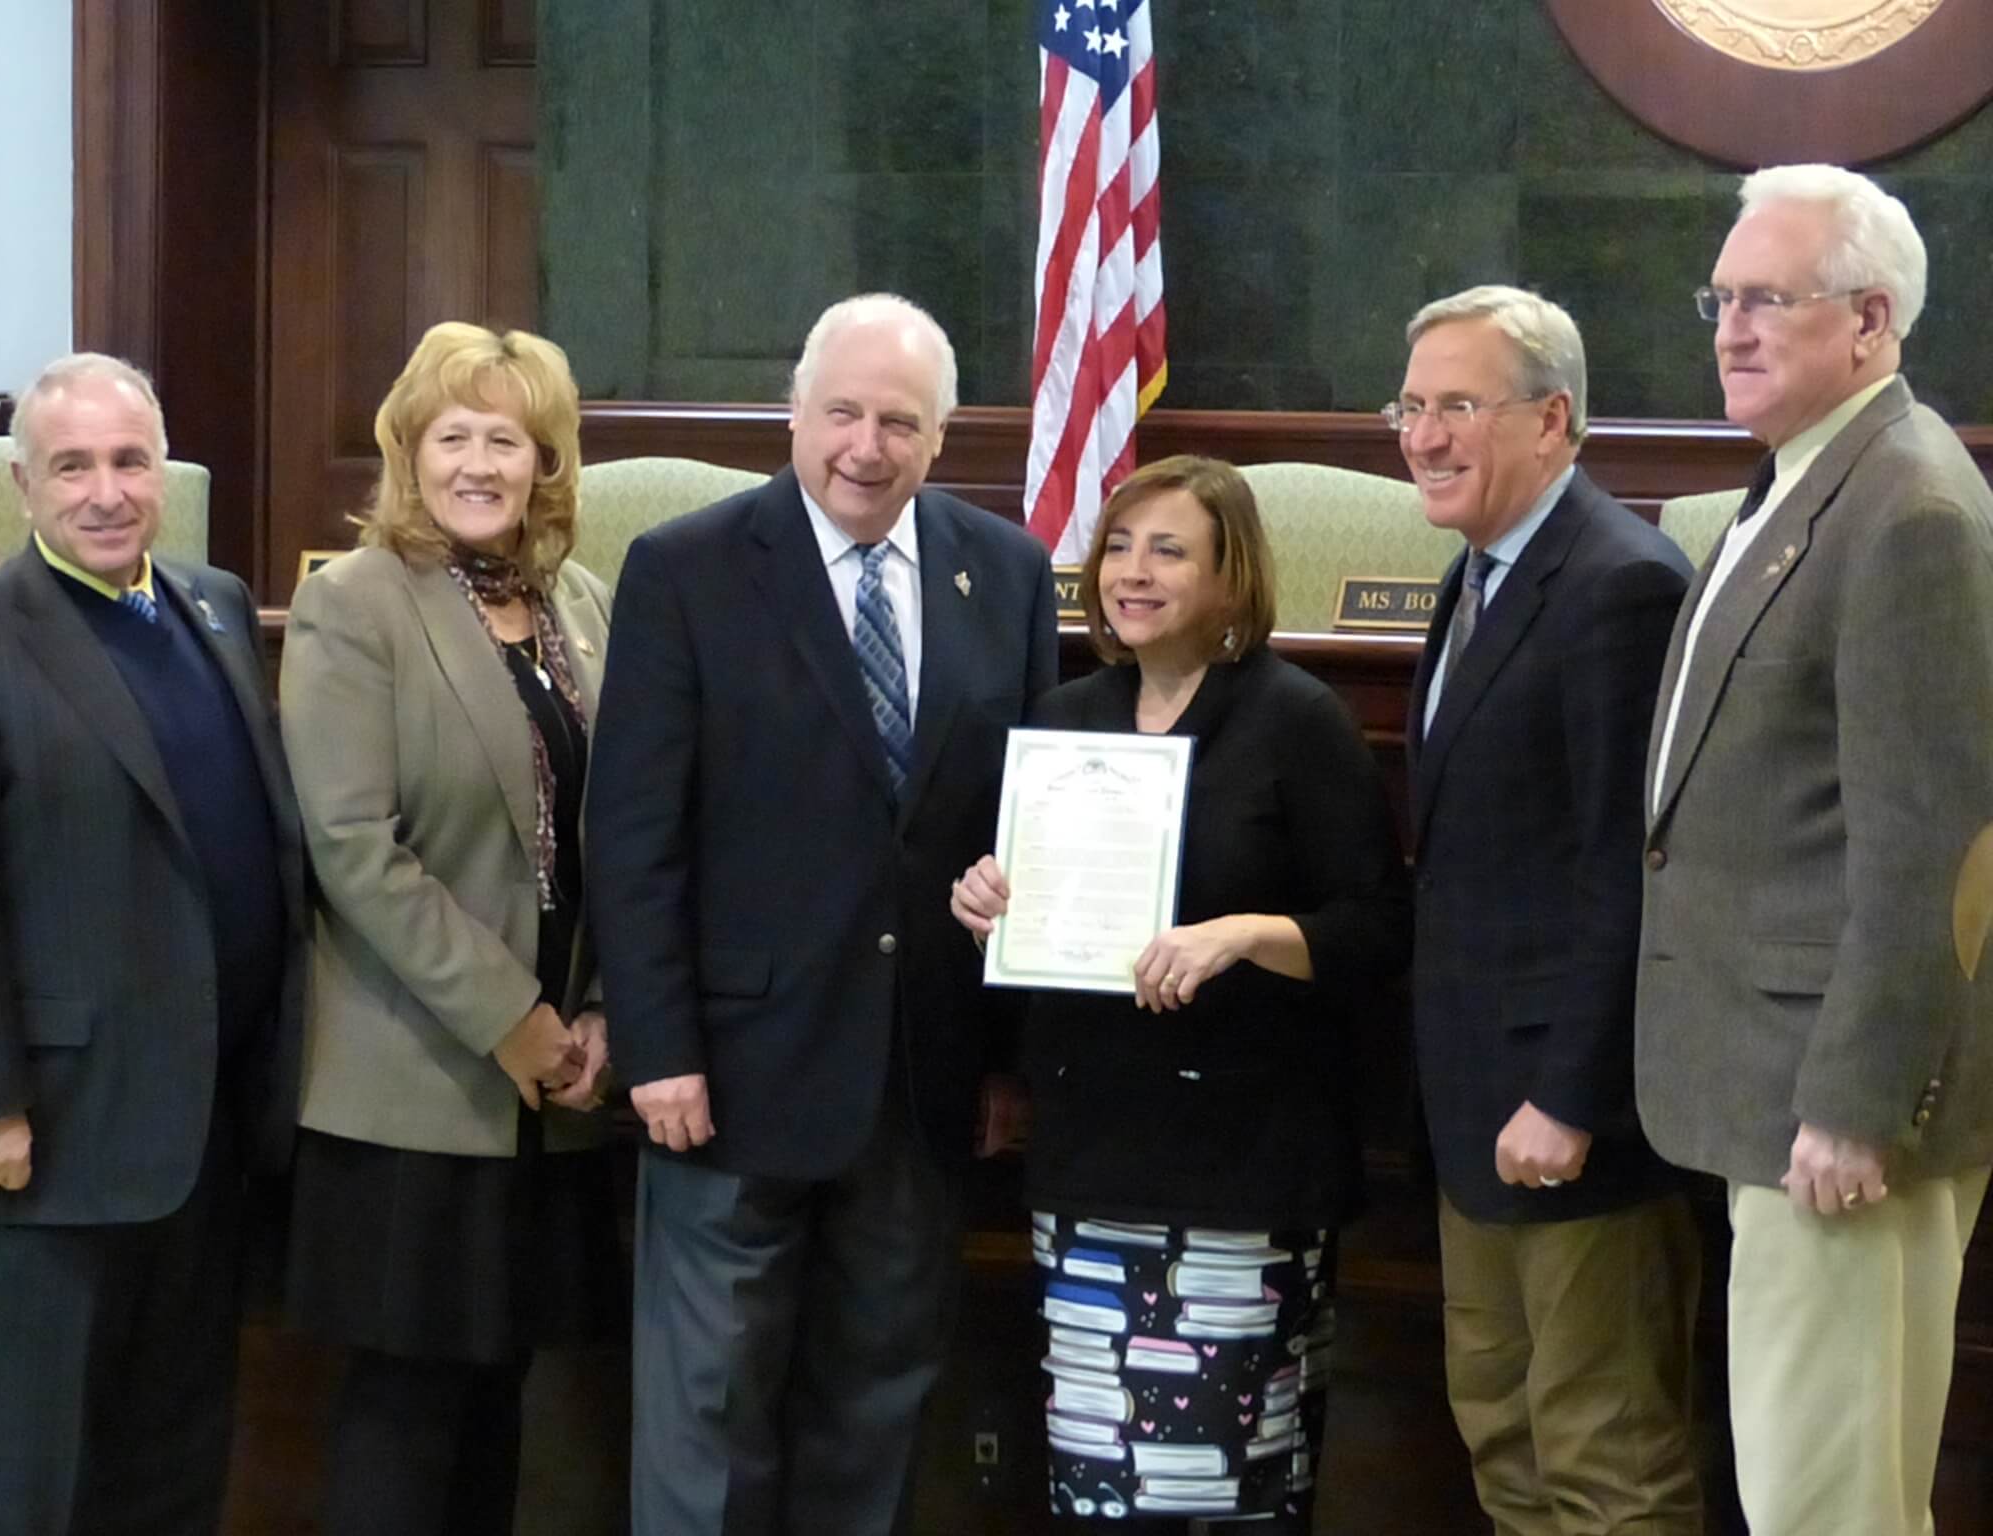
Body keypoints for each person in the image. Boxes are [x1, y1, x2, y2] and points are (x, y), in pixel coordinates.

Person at [585, 291, 1058, 1535]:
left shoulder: (1002, 573)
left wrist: (1004, 1057)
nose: (866, 445)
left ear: (940, 437)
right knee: (709, 1423)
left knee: (878, 1411)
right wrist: (659, 1049)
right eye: (841, 412)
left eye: (898, 420)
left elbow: (1028, 827)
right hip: (729, 1081)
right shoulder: (684, 568)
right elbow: (631, 837)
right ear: (792, 414)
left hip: (921, 1079)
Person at [950, 455, 1411, 1527]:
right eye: (1118, 545)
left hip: (1241, 1171)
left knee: (1221, 1482)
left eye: (1168, 550)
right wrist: (982, 900)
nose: (1132, 572)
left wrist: (1245, 934)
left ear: (1228, 576)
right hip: (1089, 1158)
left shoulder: (1296, 722)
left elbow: (1377, 930)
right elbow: (1021, 931)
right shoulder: (1064, 720)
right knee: (1097, 1481)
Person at [1637, 165, 1993, 1536]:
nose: (1730, 326)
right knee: (1802, 1488)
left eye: (1769, 298)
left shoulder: (1904, 508)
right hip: (1770, 1088)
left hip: (1839, 1111)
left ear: (1873, 321)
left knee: (1829, 1504)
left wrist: (1856, 1098)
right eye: (1722, 297)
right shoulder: (1805, 481)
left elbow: (1935, 851)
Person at [0, 353, 304, 1536]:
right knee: (38, 1482)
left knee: (174, 1463)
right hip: (50, 1135)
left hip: (203, 1134)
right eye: (74, 466)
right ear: (22, 483)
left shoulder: (210, 602)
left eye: (130, 461)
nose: (106, 491)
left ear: (166, 471)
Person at [277, 321, 622, 1536]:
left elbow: (623, 830)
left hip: (560, 1088)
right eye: (453, 436)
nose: (478, 463)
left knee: (500, 1391)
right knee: (408, 1405)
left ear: (547, 461)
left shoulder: (578, 601)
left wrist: (592, 1016)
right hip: (419, 1081)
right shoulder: (353, 603)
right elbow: (354, 849)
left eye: (507, 440)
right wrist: (512, 1021)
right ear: (409, 450)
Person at [1393, 286, 1703, 1534]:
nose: (1420, 436)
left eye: (1456, 406)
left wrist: (1572, 1096)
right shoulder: (1475, 572)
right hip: (1477, 1115)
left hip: (1570, 1124)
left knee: (1603, 1457)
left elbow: (1626, 868)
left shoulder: (1616, 583)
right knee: (1504, 1432)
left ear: (1552, 418)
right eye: (1409, 406)